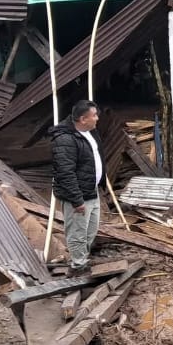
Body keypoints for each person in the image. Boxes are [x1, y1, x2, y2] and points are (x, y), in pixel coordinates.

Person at [50, 100, 103, 275]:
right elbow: (65, 172)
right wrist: (76, 199)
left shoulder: (90, 133)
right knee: (77, 232)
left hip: (91, 191)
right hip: (78, 195)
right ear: (82, 119)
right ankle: (78, 266)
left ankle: (82, 259)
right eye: (94, 115)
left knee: (90, 230)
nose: (97, 118)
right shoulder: (65, 139)